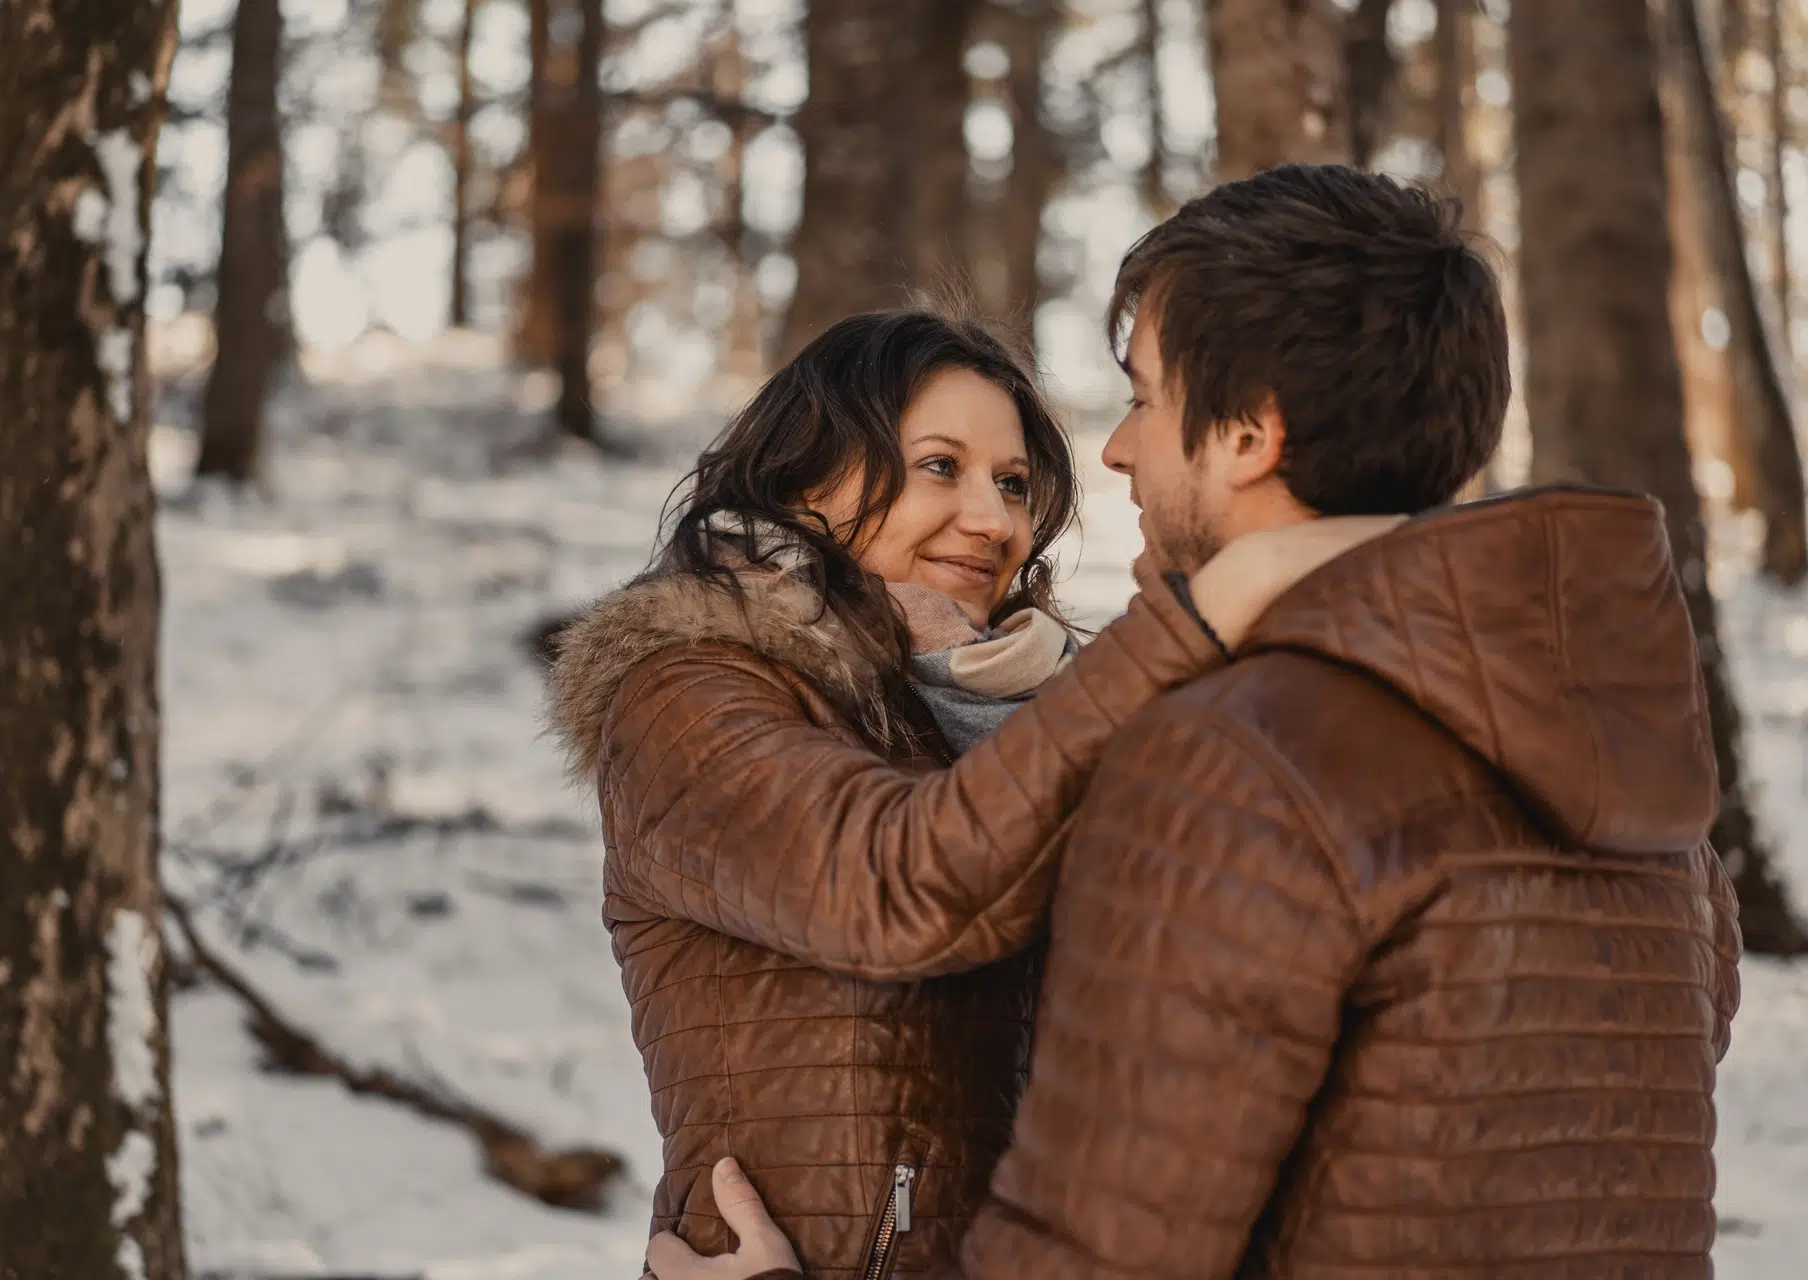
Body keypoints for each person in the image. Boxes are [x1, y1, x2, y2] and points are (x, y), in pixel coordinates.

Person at [648, 164, 1742, 1280]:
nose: (1114, 451)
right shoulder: (1605, 751)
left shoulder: (1228, 753)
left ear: (1250, 433)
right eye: (940, 467)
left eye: (1143, 397)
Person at [546, 307, 1392, 1280]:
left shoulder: (1047, 716)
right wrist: (1185, 630)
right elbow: (899, 884)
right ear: (800, 477)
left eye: (1014, 483)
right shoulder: (688, 694)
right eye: (940, 466)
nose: (994, 521)